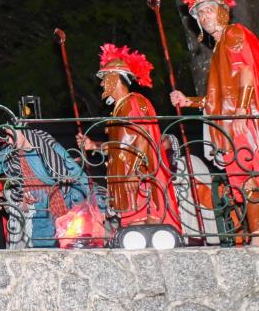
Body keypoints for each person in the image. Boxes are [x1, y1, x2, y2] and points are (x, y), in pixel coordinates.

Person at [170, 0, 259, 245]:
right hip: (230, 122)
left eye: (209, 10)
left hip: (244, 122)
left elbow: (246, 73)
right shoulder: (219, 49)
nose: (204, 16)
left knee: (257, 179)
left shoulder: (234, 34)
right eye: (200, 13)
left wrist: (241, 113)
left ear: (222, 11)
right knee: (251, 181)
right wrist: (187, 100)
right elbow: (216, 99)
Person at [77, 44, 182, 231]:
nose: (101, 84)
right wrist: (94, 145)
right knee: (132, 227)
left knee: (142, 226)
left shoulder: (134, 102)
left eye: (104, 79)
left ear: (115, 78)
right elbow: (119, 146)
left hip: (135, 178)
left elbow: (142, 138)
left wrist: (134, 172)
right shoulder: (117, 110)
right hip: (123, 178)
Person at [0, 125, 88, 248]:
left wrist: (94, 202)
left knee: (66, 240)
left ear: (23, 131)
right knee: (41, 245)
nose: (9, 141)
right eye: (6, 138)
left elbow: (76, 171)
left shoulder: (48, 145)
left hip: (60, 199)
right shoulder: (12, 154)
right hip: (35, 206)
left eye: (11, 135)